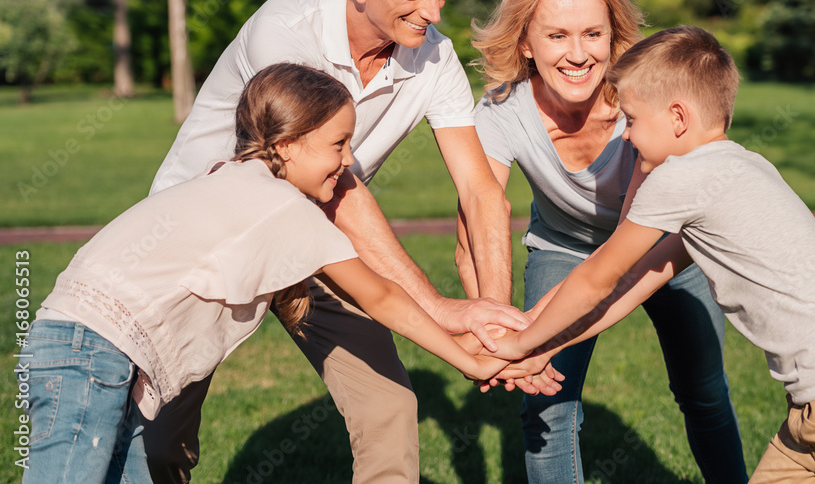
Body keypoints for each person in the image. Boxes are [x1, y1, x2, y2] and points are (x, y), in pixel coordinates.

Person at [145, 0, 529, 484]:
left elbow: (481, 191)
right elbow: (338, 186)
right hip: (206, 235)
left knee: (389, 408)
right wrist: (443, 310)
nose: (434, 12)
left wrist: (494, 321)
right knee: (162, 428)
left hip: (314, 238)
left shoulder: (435, 58)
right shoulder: (285, 30)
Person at [20, 63, 511, 484]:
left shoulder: (229, 178)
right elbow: (381, 297)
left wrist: (474, 346)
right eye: (338, 144)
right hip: (90, 350)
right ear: (290, 144)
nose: (347, 162)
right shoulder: (282, 208)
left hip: (79, 341)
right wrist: (471, 362)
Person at [490, 26, 815, 483]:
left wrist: (522, 344)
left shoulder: (680, 179)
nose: (625, 137)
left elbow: (599, 276)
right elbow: (637, 281)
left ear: (677, 118)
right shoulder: (736, 168)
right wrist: (547, 344)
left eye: (634, 120)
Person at [458, 0, 747, 483]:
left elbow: (625, 254)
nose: (577, 53)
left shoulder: (645, 102)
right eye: (557, 36)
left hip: (664, 247)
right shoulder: (501, 112)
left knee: (703, 393)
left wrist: (533, 338)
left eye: (593, 34)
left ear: (614, 38)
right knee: (546, 408)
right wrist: (499, 330)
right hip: (563, 249)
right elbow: (475, 231)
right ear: (525, 43)